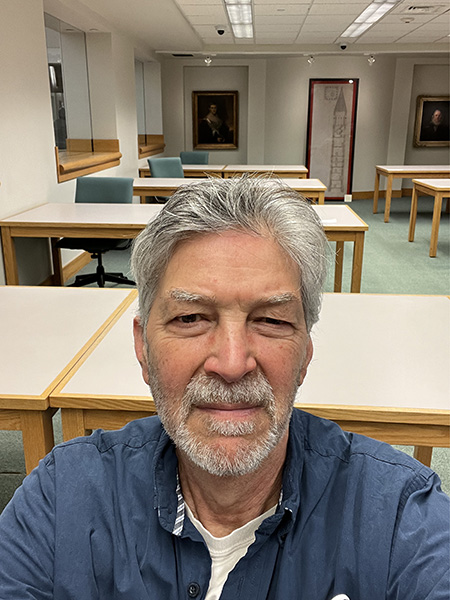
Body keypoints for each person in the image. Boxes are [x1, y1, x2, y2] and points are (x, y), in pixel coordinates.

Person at [0, 177, 449, 599]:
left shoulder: (398, 518)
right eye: (190, 318)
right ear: (142, 346)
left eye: (271, 320)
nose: (232, 364)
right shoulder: (62, 502)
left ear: (306, 353)